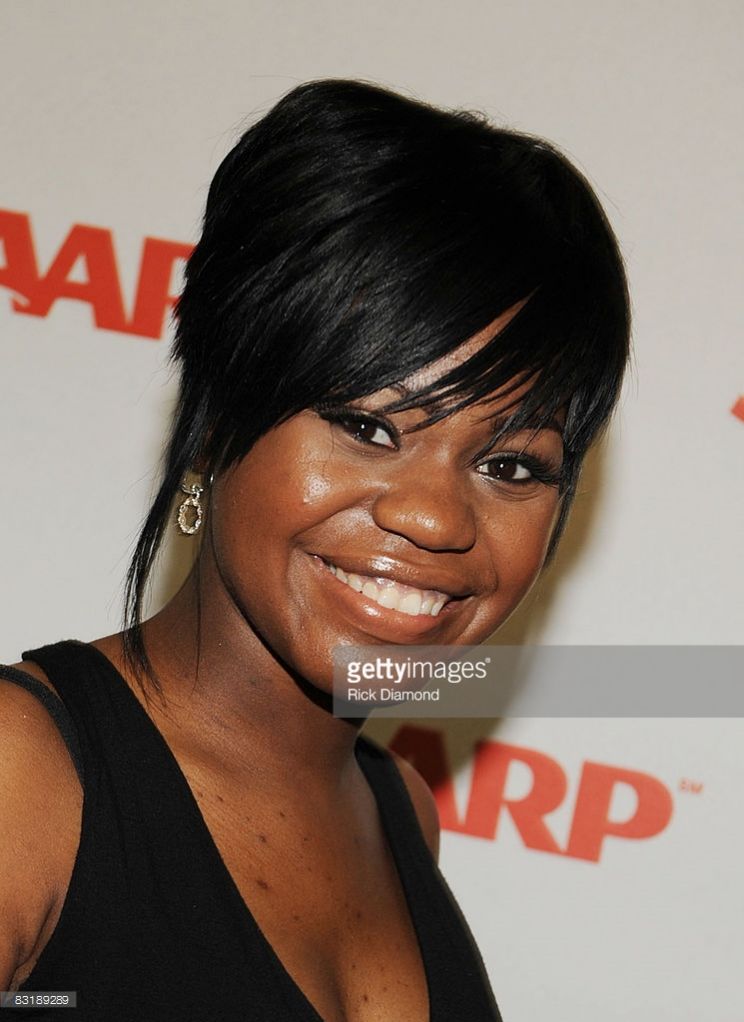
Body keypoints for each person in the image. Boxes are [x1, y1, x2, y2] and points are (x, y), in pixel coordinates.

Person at [0, 79, 630, 1020]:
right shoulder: (24, 776)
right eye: (368, 427)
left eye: (509, 465)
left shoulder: (401, 812)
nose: (435, 519)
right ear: (216, 419)